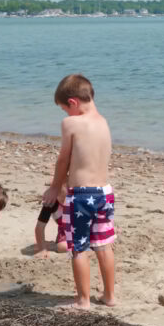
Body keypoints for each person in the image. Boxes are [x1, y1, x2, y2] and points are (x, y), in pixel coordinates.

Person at [43, 74, 116, 309]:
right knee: (104, 246)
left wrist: (55, 186)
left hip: (82, 196)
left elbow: (64, 159)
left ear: (73, 102)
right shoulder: (103, 121)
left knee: (79, 248)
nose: (66, 115)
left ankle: (83, 301)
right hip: (104, 193)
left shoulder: (71, 124)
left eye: (65, 109)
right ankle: (109, 297)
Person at [34, 184, 68, 258]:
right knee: (62, 247)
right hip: (65, 232)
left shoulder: (79, 200)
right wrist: (42, 249)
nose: (66, 202)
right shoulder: (51, 203)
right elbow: (39, 227)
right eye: (62, 198)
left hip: (82, 230)